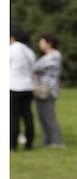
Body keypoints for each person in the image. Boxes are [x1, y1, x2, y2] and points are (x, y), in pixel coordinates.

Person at [33, 32, 65, 148]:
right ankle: (47, 140)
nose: (39, 44)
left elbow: (35, 68)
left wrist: (36, 73)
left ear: (49, 43)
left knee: (48, 116)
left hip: (47, 90)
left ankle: (57, 141)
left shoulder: (54, 56)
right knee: (42, 116)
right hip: (41, 89)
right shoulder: (47, 57)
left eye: (42, 42)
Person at [10, 21, 36, 151]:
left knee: (13, 117)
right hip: (28, 87)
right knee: (27, 116)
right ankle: (29, 143)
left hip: (13, 86)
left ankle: (12, 144)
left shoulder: (11, 50)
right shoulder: (29, 51)